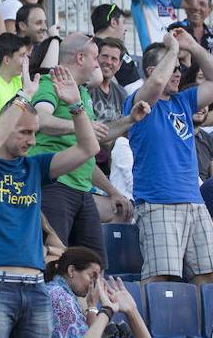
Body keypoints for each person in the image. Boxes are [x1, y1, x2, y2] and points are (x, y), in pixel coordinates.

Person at [0, 65, 98, 338]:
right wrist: (23, 97)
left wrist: (76, 106)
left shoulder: (34, 166)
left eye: (34, 133)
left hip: (35, 287)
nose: (32, 141)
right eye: (24, 132)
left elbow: (89, 148)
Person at [127, 29, 213, 285]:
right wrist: (172, 49)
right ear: (151, 70)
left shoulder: (183, 101)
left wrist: (192, 46)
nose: (178, 73)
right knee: (160, 276)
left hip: (193, 201)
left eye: (178, 68)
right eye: (172, 67)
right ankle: (144, 324)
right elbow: (157, 85)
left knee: (207, 270)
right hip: (157, 201)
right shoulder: (138, 102)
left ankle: (192, 323)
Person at [32, 33, 137, 256]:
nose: (98, 64)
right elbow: (39, 119)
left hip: (81, 190)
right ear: (80, 58)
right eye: (96, 57)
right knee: (55, 259)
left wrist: (131, 120)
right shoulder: (51, 83)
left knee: (95, 264)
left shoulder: (82, 94)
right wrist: (81, 125)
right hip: (55, 186)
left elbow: (94, 141)